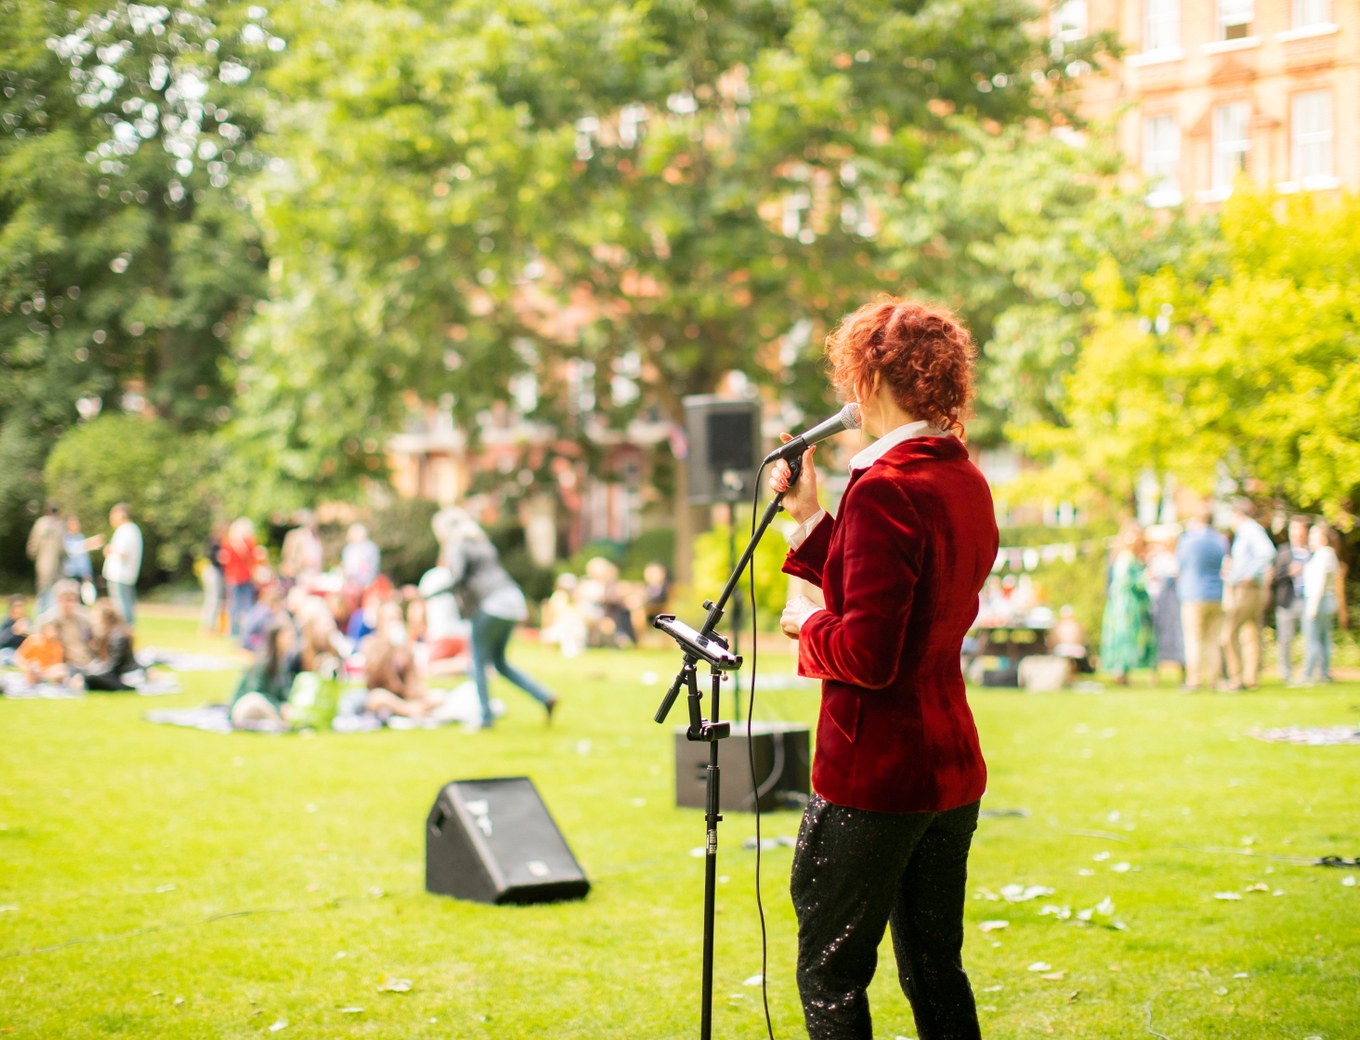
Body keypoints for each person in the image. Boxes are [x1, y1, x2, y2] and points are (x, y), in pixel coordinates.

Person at [771, 297, 998, 1040]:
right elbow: (893, 589)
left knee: (831, 973)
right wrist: (809, 516)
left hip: (875, 774)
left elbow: (868, 654)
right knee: (935, 969)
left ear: (869, 375)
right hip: (950, 765)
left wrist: (807, 623)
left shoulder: (885, 488)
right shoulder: (961, 479)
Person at [440, 508, 558, 728]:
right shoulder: (482, 542)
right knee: (499, 662)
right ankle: (544, 696)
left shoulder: (457, 544)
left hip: (492, 603)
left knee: (477, 660)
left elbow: (458, 577)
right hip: (513, 599)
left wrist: (432, 593)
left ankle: (485, 718)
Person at [1221, 498, 1275, 691]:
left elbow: (1267, 553)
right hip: (1251, 588)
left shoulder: (1249, 529)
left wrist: (1248, 575)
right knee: (1251, 633)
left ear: (1238, 514)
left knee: (1228, 633)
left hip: (1248, 590)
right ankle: (1251, 678)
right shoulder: (1249, 531)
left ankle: (1236, 678)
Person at [1175, 505, 1229, 691]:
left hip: (1193, 595)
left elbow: (1179, 565)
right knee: (1213, 639)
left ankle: (1194, 680)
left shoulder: (1188, 540)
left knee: (1194, 639)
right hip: (1216, 594)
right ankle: (1216, 679)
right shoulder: (1220, 540)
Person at [1099, 522, 1158, 685]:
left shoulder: (1131, 557)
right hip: (1124, 606)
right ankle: (1120, 672)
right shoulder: (1125, 557)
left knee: (1132, 638)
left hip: (1132, 605)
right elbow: (1125, 580)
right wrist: (1145, 577)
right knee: (1123, 637)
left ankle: (1124, 672)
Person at [230, 620, 300, 725]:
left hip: (265, 709)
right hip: (247, 705)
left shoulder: (282, 663)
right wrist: (278, 707)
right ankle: (281, 724)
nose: (292, 639)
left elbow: (283, 693)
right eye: (288, 635)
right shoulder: (263, 663)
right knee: (256, 701)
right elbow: (255, 692)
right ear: (277, 638)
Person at [1272, 515, 1311, 684]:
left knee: (1310, 638)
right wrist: (1290, 572)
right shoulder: (1283, 551)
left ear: (1305, 531)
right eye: (1292, 529)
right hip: (1287, 601)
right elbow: (1274, 577)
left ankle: (1310, 672)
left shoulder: (1313, 551)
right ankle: (1286, 673)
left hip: (1308, 600)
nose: (1294, 533)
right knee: (1285, 639)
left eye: (1297, 529)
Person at [1300, 523, 1340, 684]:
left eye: (1313, 536)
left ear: (1323, 538)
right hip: (1327, 600)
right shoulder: (1328, 554)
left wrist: (1312, 607)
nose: (1310, 539)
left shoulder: (1323, 555)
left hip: (1318, 600)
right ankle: (1323, 674)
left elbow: (1319, 583)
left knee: (1312, 639)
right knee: (1324, 639)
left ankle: (1308, 674)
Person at [1144, 524, 1184, 682]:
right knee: (1157, 637)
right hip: (1159, 603)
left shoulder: (1178, 558)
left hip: (1175, 603)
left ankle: (1184, 672)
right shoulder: (1156, 560)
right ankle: (1154, 673)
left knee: (1178, 636)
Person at [36, 579, 93, 672]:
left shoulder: (84, 619)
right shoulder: (47, 620)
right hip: (61, 665)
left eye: (72, 600)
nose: (69, 604)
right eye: (66, 600)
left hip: (86, 662)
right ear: (58, 600)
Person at [101, 503, 143, 628]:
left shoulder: (126, 530)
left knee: (121, 607)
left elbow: (123, 553)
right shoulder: (132, 529)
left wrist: (109, 550)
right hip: (124, 575)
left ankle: (124, 632)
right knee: (126, 605)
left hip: (120, 575)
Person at [82, 599, 138, 691]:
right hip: (118, 674)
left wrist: (94, 671)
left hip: (124, 677)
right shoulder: (110, 634)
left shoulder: (117, 637)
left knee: (90, 678)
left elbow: (114, 667)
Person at [220, 517, 260, 638]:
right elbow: (225, 559)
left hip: (245, 577)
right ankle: (233, 632)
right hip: (233, 577)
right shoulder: (228, 541)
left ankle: (246, 631)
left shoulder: (248, 541)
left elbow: (250, 556)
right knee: (234, 606)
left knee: (246, 606)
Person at [26, 501, 66, 614]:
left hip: (43, 564)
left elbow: (32, 547)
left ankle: (41, 615)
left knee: (43, 591)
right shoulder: (60, 525)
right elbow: (63, 549)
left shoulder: (40, 524)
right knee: (53, 591)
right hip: (56, 565)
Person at [16, 619, 78, 688]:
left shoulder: (57, 646)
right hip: (32, 670)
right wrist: (27, 667)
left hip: (47, 673)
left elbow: (55, 664)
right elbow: (20, 656)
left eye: (54, 631)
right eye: (50, 630)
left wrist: (44, 672)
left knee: (61, 669)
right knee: (35, 665)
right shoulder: (33, 641)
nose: (52, 633)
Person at [62, 514, 102, 605]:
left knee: (83, 602)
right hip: (71, 575)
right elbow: (73, 550)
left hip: (82, 576)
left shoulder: (81, 537)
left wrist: (87, 573)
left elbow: (84, 559)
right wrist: (90, 543)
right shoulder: (66, 538)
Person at [279, 510, 323, 590]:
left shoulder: (314, 538)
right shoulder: (295, 536)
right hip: (297, 574)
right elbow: (288, 554)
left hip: (311, 574)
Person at [199, 522, 227, 635]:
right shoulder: (215, 543)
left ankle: (211, 626)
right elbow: (215, 558)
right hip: (213, 571)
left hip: (214, 571)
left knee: (214, 599)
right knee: (213, 599)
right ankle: (208, 626)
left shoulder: (217, 542)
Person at [341, 523, 381, 590]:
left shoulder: (370, 548)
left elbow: (373, 567)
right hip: (357, 584)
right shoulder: (349, 548)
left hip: (367, 584)